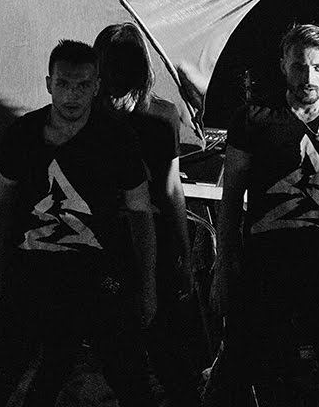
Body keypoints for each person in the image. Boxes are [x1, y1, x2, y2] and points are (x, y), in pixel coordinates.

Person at [0, 39, 156, 407]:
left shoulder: (116, 138)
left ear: (96, 86)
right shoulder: (23, 134)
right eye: (64, 84)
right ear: (48, 84)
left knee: (130, 377)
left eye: (83, 85)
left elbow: (140, 213)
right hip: (31, 270)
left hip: (96, 274)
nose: (72, 95)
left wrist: (147, 285)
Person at [209, 24, 319, 405]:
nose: (308, 77)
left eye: (318, 67)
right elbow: (230, 200)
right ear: (283, 66)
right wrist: (223, 270)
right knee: (241, 376)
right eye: (300, 66)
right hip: (265, 272)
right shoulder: (253, 118)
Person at [94, 23, 200, 405]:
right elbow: (172, 190)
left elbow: (171, 189)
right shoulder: (90, 116)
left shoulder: (161, 115)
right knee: (120, 354)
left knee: (166, 349)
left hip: (152, 237)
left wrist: (183, 255)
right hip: (110, 242)